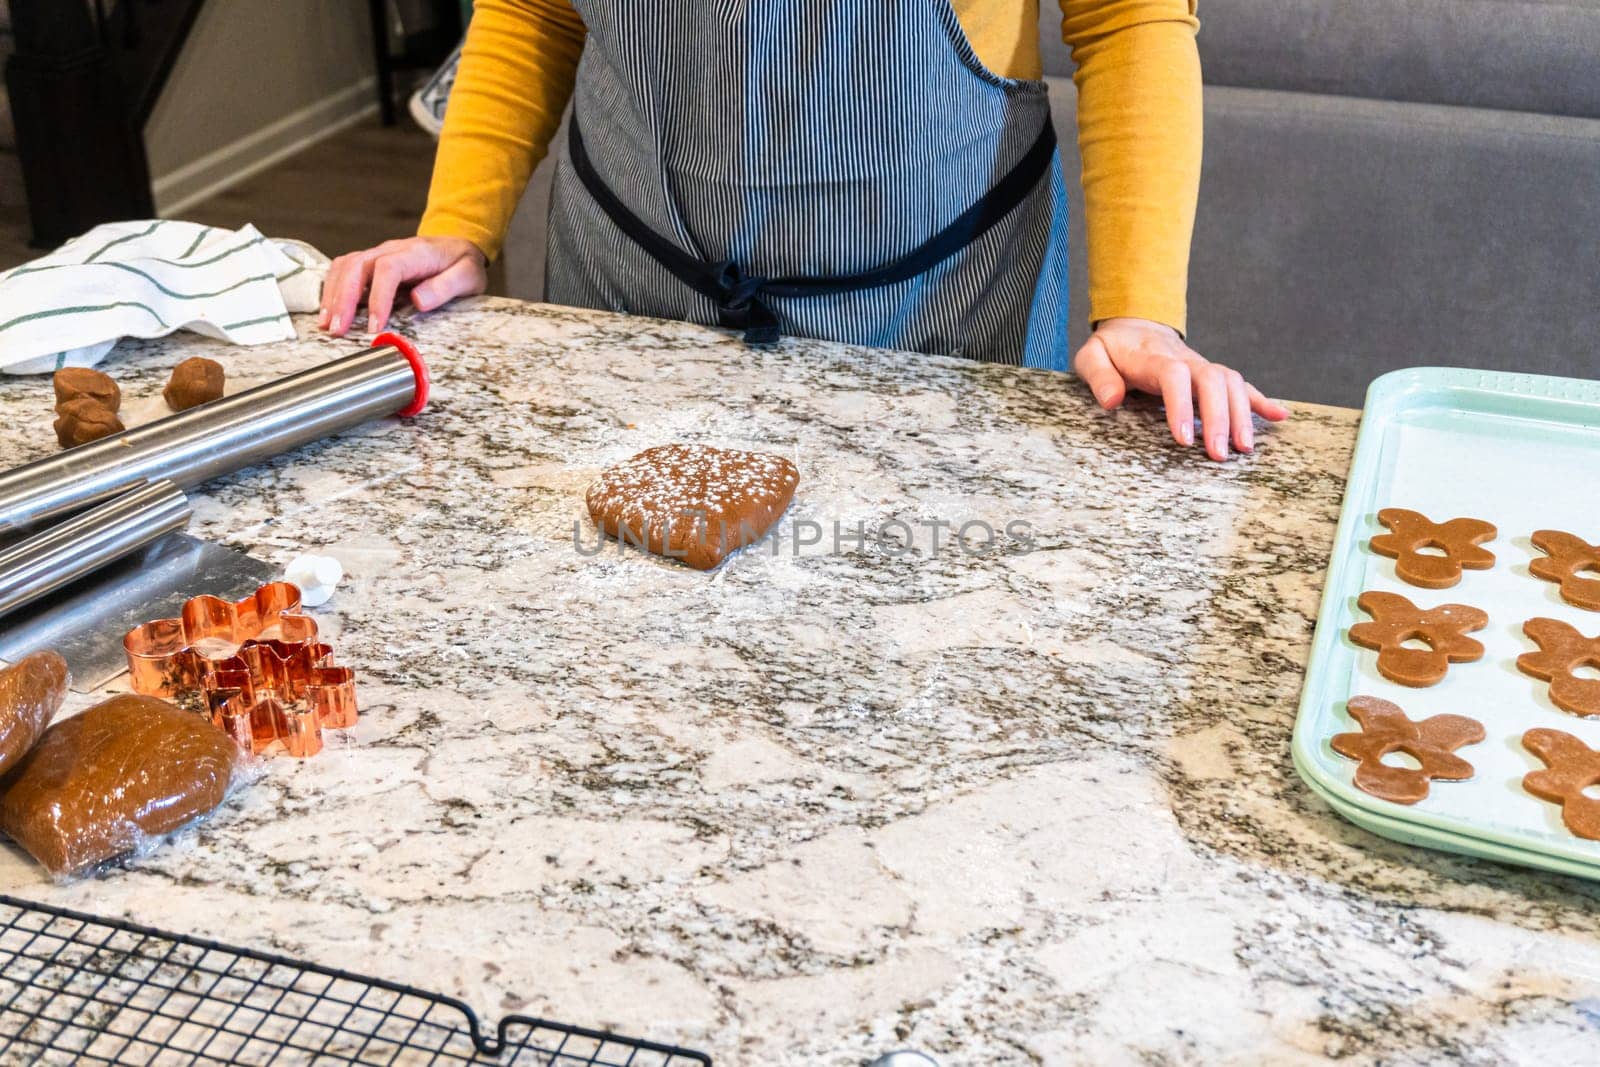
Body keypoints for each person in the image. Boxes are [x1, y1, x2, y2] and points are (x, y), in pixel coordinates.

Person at [320, 1, 1289, 460]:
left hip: (938, 310)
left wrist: (1141, 310)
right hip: (629, 296)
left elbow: (1128, 21)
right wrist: (456, 224)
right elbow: (530, 11)